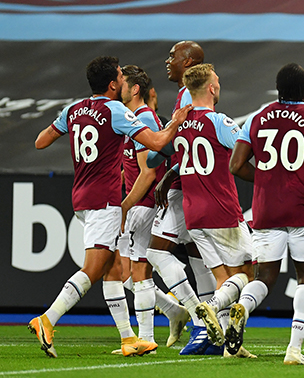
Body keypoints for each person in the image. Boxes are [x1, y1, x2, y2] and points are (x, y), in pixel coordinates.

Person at [29, 56, 192, 358]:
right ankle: (47, 319)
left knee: (114, 269)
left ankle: (129, 339)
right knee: (94, 269)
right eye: (119, 74)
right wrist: (176, 124)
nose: (122, 78)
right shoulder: (115, 110)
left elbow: (40, 142)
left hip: (80, 197)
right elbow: (156, 142)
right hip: (105, 200)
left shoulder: (73, 110)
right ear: (113, 84)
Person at [227, 63, 304, 365]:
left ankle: (244, 308)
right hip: (301, 208)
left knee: (264, 276)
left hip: (266, 209)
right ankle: (294, 349)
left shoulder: (256, 118)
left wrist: (265, 178)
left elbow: (235, 165)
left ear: (277, 89)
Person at [150, 64, 256, 356]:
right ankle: (208, 307)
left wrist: (171, 172)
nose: (219, 85)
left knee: (223, 279)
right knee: (248, 274)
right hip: (221, 210)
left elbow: (153, 158)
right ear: (210, 87)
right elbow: (245, 153)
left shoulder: (179, 124)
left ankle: (230, 347)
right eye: (217, 81)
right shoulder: (219, 122)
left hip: (193, 215)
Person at [146, 40, 223, 355]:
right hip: (196, 186)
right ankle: (210, 332)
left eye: (172, 56)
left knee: (155, 253)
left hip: (184, 188)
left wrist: (168, 167)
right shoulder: (191, 94)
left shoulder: (187, 96)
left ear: (188, 60)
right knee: (197, 258)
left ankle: (195, 317)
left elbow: (180, 143)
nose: (167, 61)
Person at [115, 65, 190, 351]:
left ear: (135, 89)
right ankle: (173, 312)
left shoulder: (143, 119)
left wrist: (125, 205)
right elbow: (136, 166)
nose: (118, 86)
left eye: (123, 83)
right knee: (127, 271)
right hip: (143, 204)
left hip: (143, 205)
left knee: (138, 271)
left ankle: (147, 336)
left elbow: (148, 172)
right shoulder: (135, 118)